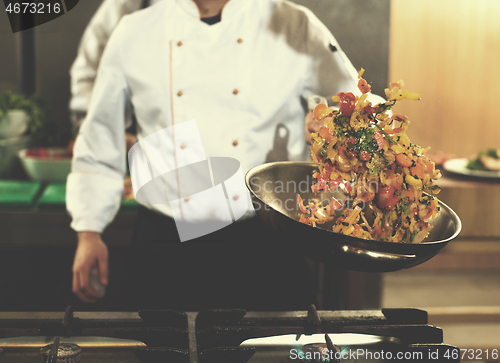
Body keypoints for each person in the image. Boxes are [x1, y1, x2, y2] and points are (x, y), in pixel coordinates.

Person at [67, 0, 379, 309]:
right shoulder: (135, 31)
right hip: (165, 245)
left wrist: (332, 120)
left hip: (268, 240)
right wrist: (88, 230)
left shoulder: (294, 23)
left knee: (272, 356)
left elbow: (357, 103)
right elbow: (100, 138)